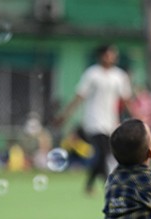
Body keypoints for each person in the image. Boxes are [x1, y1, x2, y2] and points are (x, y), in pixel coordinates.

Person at [55, 44, 132, 195]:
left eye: (113, 54)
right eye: (108, 54)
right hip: (94, 120)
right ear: (101, 56)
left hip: (111, 121)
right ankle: (109, 185)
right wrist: (65, 115)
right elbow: (79, 96)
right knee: (103, 152)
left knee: (103, 155)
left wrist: (137, 118)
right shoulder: (92, 74)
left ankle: (89, 185)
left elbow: (126, 99)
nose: (111, 57)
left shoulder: (119, 76)